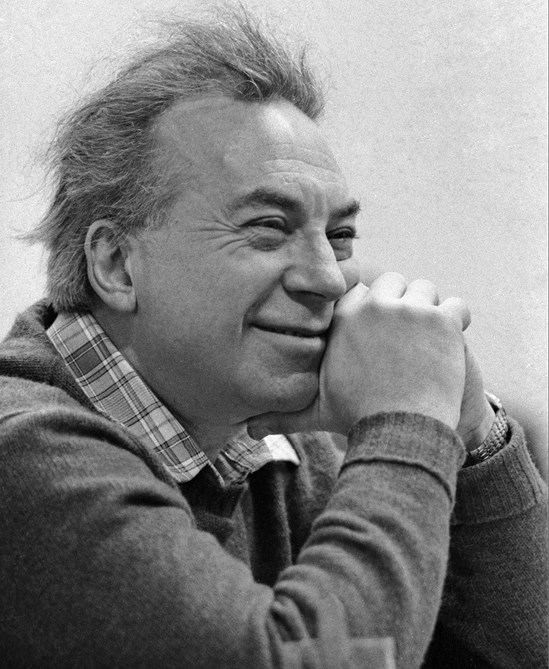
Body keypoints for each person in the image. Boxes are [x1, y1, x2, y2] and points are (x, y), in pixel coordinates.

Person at [0, 9, 546, 669]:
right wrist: (405, 424)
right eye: (267, 227)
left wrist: (473, 432)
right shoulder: (24, 452)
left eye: (338, 236)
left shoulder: (283, 450)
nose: (327, 278)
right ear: (116, 265)